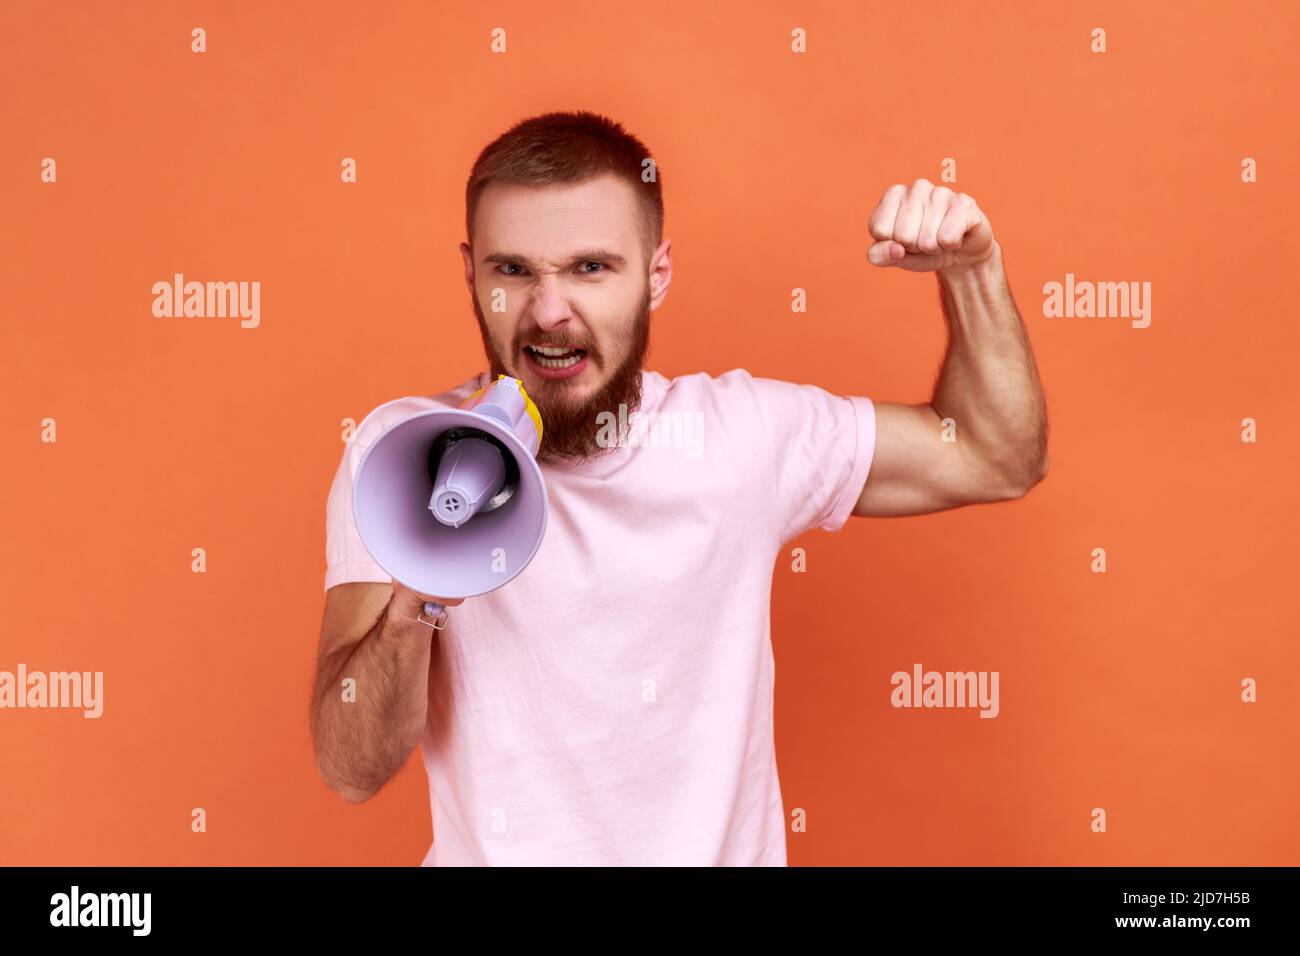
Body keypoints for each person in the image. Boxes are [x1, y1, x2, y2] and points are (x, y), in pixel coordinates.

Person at [309, 110, 1048, 866]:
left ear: (655, 276)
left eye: (591, 267)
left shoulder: (739, 438)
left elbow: (997, 455)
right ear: (472, 275)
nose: (549, 310)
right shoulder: (404, 455)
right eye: (514, 270)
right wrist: (418, 591)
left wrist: (973, 273)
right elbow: (350, 768)